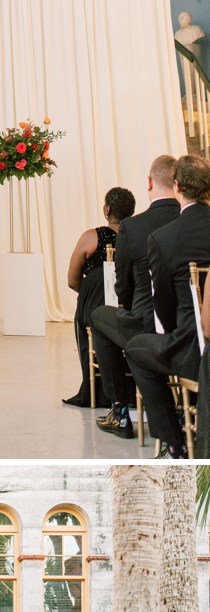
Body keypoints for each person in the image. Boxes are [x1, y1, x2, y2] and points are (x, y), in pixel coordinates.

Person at [125, 154, 210, 458]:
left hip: (193, 350)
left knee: (136, 349)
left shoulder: (163, 238)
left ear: (176, 186)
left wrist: (174, 335)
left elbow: (162, 303)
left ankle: (175, 442)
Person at [91, 155, 181, 440]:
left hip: (146, 323)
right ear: (179, 185)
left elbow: (123, 285)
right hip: (189, 324)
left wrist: (127, 307)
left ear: (149, 182)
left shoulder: (134, 226)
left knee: (99, 317)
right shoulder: (191, 219)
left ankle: (119, 410)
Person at [63, 187, 134, 409]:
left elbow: (72, 280)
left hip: (94, 302)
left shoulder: (92, 236)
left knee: (88, 319)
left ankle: (97, 391)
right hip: (128, 304)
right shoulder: (136, 237)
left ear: (107, 209)